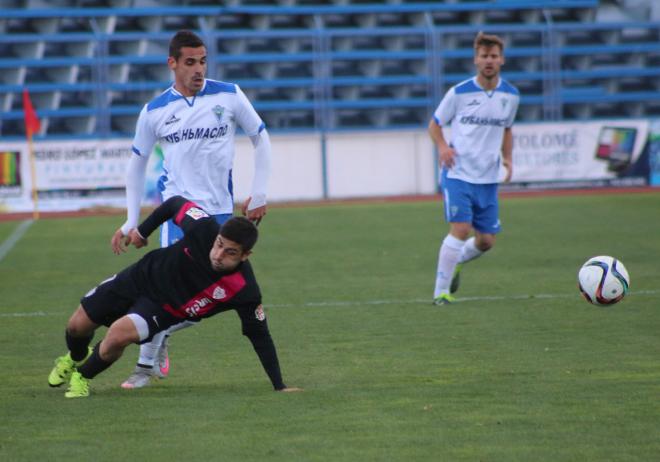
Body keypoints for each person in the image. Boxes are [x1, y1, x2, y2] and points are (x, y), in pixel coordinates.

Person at [110, 30, 272, 388]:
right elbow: (135, 165)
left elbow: (262, 138)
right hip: (177, 214)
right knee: (164, 291)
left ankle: (162, 332)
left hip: (219, 216)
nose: (198, 69)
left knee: (209, 295)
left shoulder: (229, 95)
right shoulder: (154, 111)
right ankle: (144, 367)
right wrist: (132, 220)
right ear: (172, 64)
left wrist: (259, 193)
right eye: (190, 62)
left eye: (202, 61)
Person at [48, 196, 301, 398]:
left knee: (117, 335)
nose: (218, 254)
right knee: (77, 325)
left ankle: (82, 376)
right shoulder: (204, 228)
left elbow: (259, 335)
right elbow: (175, 203)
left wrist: (279, 385)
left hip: (162, 307)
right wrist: (143, 231)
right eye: (219, 244)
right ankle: (74, 357)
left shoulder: (244, 289)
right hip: (141, 275)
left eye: (230, 252)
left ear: (245, 256)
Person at [428, 32, 520, 305]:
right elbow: (434, 125)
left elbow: (507, 129)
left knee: (486, 242)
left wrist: (508, 158)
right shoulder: (459, 93)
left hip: (488, 177)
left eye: (493, 56)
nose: (489, 61)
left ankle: (457, 261)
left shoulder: (511, 96)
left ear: (501, 59)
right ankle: (440, 293)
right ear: (476, 60)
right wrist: (443, 147)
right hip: (458, 172)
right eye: (484, 56)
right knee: (460, 229)